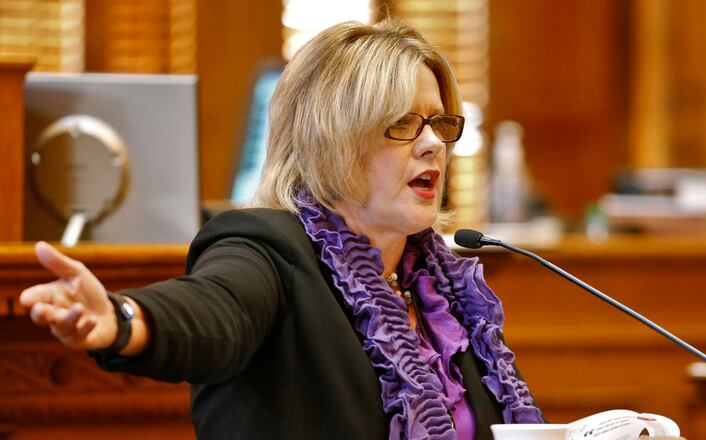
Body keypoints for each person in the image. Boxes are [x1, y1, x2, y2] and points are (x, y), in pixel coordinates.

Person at [19, 18, 544, 440]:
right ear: (331, 140)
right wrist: (123, 319)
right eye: (403, 124)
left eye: (439, 123)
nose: (433, 144)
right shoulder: (267, 249)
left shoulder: (440, 288)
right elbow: (211, 311)